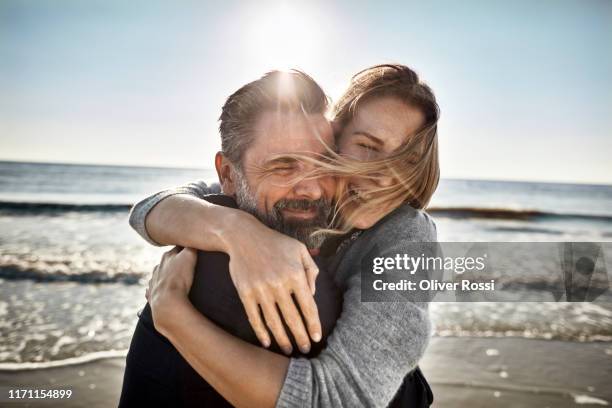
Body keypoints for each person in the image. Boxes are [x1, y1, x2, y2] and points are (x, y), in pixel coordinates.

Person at [134, 64, 439, 407]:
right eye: (368, 146)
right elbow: (151, 210)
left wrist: (173, 315)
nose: (385, 177)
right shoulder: (274, 200)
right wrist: (237, 232)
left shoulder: (407, 236)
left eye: (407, 160)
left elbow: (343, 400)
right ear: (336, 136)